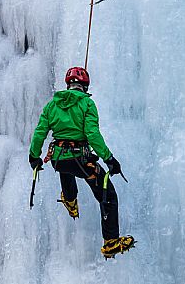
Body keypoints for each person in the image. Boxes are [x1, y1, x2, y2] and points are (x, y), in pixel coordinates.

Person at [29, 66, 134, 258]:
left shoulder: (52, 105)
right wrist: (109, 158)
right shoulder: (87, 104)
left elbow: (40, 133)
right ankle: (111, 242)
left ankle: (70, 199)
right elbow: (92, 134)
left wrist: (33, 157)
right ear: (85, 86)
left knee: (65, 168)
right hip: (80, 159)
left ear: (68, 85)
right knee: (108, 195)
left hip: (58, 159)